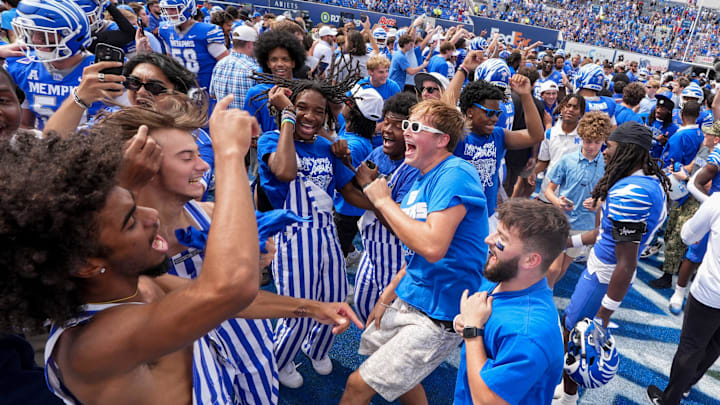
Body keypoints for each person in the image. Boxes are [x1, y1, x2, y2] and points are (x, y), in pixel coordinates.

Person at [0, 94, 360, 404]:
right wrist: (231, 154)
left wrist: (312, 307)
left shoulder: (130, 283)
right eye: (130, 219)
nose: (150, 218)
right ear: (85, 263)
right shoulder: (90, 346)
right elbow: (227, 290)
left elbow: (232, 302)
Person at [340, 99, 488, 405]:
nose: (405, 130)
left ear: (442, 140)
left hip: (439, 313)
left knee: (357, 385)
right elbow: (415, 254)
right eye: (407, 124)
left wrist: (382, 201)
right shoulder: (421, 180)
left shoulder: (455, 172)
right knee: (401, 378)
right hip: (412, 297)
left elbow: (433, 247)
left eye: (415, 127)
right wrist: (388, 296)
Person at [256, 73, 375, 388]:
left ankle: (317, 346)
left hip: (325, 233)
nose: (310, 115)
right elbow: (283, 171)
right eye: (301, 108)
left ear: (327, 115)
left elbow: (348, 191)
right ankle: (279, 360)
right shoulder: (272, 140)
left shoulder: (326, 146)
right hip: (291, 236)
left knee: (334, 295)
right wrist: (287, 118)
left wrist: (382, 207)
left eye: (318, 111)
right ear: (289, 109)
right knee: (299, 302)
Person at [556, 122, 669, 405]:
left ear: (628, 150)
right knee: (571, 327)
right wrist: (565, 243)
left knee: (575, 334)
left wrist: (603, 318)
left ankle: (569, 396)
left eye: (611, 146)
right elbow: (602, 234)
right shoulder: (637, 182)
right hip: (602, 269)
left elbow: (627, 262)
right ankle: (568, 391)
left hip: (604, 276)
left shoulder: (634, 192)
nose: (605, 152)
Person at [453, 199, 569, 404]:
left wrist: (472, 331)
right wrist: (464, 321)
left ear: (531, 260)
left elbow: (486, 402)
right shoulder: (505, 277)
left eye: (502, 239)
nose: (488, 239)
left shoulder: (528, 332)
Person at [646, 191, 720, 405]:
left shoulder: (716, 201)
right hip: (712, 290)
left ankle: (671, 400)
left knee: (691, 347)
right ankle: (687, 384)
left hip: (711, 290)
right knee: (715, 345)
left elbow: (687, 235)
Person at [352, 92, 420, 324]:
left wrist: (367, 185)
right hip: (371, 251)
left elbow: (396, 225)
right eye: (386, 121)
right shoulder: (378, 153)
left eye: (397, 125)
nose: (387, 129)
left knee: (390, 318)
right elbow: (355, 194)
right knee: (362, 306)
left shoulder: (414, 168)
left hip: (397, 256)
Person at [455, 74, 545, 227]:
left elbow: (536, 135)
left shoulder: (498, 135)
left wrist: (525, 96)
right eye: (489, 113)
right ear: (470, 111)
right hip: (458, 219)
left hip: (487, 217)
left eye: (498, 113)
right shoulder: (457, 136)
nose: (495, 119)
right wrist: (462, 70)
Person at [6, 0, 101, 130]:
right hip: (42, 146)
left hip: (93, 147)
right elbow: (24, 125)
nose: (34, 40)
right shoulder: (22, 67)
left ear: (71, 35)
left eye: (44, 33)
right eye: (32, 32)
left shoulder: (103, 70)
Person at [544, 112, 611, 287]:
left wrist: (599, 203)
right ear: (581, 138)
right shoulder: (568, 160)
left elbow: (610, 195)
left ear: (604, 141)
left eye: (597, 142)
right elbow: (549, 190)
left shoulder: (609, 166)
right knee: (553, 269)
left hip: (585, 226)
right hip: (561, 221)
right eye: (588, 141)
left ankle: (547, 290)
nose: (592, 146)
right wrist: (557, 201)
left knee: (563, 268)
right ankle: (544, 296)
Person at [649, 100, 703, 290]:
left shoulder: (679, 136)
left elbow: (672, 161)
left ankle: (668, 272)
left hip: (678, 183)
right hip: (691, 185)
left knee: (673, 229)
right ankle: (671, 265)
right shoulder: (700, 134)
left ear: (681, 115)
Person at [332, 87, 384, 263]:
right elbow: (336, 110)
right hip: (345, 206)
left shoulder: (353, 146)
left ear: (353, 113)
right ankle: (351, 252)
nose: (345, 101)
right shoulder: (352, 131)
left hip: (347, 210)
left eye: (348, 100)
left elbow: (349, 179)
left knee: (336, 248)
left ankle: (340, 279)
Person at [157, 0, 228, 93]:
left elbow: (226, 63)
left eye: (173, 9)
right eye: (167, 9)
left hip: (206, 87)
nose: (169, 13)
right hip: (182, 87)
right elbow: (171, 60)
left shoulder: (206, 31)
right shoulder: (165, 30)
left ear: (188, 9)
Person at [244, 30, 306, 133]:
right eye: (274, 60)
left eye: (285, 59)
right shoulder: (256, 93)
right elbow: (248, 131)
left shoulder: (304, 90)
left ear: (293, 63)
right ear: (267, 63)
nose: (280, 64)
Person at [532, 94, 586, 203]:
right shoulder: (550, 133)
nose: (570, 110)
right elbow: (543, 162)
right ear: (562, 108)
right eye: (568, 106)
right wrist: (533, 172)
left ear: (581, 112)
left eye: (575, 107)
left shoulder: (585, 135)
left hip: (573, 196)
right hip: (547, 193)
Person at [209, 25, 259, 110]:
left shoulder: (219, 64)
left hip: (223, 120)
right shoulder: (254, 70)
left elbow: (212, 94)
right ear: (250, 44)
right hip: (246, 121)